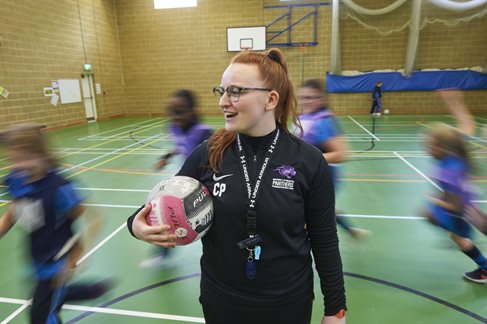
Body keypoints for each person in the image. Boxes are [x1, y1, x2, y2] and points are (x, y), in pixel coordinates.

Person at [127, 48, 347, 323]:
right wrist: (136, 226)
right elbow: (158, 205)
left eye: (235, 91)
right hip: (221, 300)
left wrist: (335, 309)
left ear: (270, 99)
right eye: (221, 90)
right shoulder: (207, 154)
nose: (222, 102)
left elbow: (324, 238)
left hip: (287, 302)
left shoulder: (310, 161)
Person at [0, 123, 110, 324]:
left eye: (26, 158)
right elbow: (15, 209)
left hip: (56, 263)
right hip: (36, 257)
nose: (20, 165)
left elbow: (95, 218)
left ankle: (74, 291)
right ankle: (84, 291)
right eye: (14, 159)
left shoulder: (60, 188)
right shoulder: (17, 180)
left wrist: (73, 260)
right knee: (49, 298)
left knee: (41, 317)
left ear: (42, 155)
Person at [142, 89, 213, 268]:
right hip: (187, 181)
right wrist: (165, 158)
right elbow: (179, 146)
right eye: (172, 111)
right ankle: (164, 253)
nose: (175, 115)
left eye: (180, 111)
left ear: (192, 110)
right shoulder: (173, 127)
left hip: (208, 184)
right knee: (165, 215)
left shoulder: (204, 132)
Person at [298, 79, 368, 239]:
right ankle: (352, 231)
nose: (306, 101)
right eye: (303, 97)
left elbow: (342, 154)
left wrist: (307, 159)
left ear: (321, 99)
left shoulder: (325, 121)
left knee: (308, 212)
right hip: (305, 174)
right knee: (321, 209)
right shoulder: (303, 117)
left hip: (323, 176)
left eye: (311, 97)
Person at [422, 123, 487, 283]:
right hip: (467, 202)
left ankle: (485, 268)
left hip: (462, 208)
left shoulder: (447, 172)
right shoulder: (456, 156)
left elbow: (455, 206)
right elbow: (464, 129)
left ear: (442, 148)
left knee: (459, 238)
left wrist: (434, 203)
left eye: (430, 146)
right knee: (461, 235)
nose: (426, 149)